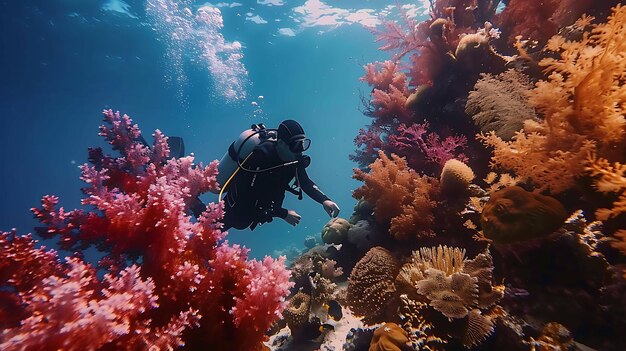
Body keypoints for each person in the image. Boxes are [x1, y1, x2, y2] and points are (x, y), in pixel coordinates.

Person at [219, 120, 340, 230]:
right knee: (213, 229)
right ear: (281, 143)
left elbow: (305, 182)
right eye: (295, 145)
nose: (300, 150)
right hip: (235, 209)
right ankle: (199, 205)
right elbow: (248, 196)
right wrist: (283, 213)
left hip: (261, 211)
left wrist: (325, 200)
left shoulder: (294, 156)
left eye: (302, 144)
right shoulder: (262, 156)